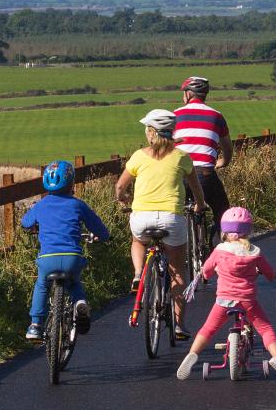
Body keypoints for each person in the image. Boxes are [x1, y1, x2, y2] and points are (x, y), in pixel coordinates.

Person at [115, 108, 207, 340]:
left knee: (137, 241)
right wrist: (199, 205)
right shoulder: (181, 156)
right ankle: (178, 324)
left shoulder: (138, 156)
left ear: (152, 132)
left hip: (142, 217)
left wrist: (123, 198)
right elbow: (196, 188)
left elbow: (119, 187)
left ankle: (138, 274)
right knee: (178, 271)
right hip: (171, 218)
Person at [176, 207, 276, 379]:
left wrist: (207, 273)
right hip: (248, 301)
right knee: (265, 328)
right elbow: (269, 273)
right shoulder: (254, 253)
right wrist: (274, 275)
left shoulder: (219, 251)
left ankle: (192, 355)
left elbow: (206, 271)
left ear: (224, 231)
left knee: (208, 329)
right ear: (248, 231)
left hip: (224, 301)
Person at [22, 159, 111, 341]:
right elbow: (99, 229)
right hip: (72, 257)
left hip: (48, 259)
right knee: (74, 283)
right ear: (71, 183)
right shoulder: (78, 205)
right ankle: (80, 302)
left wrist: (35, 226)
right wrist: (103, 237)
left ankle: (35, 325)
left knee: (41, 285)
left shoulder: (41, 205)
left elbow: (25, 222)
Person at [174, 76, 233, 232]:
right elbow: (227, 147)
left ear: (188, 94)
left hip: (178, 174)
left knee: (171, 213)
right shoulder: (217, 116)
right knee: (223, 212)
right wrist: (223, 162)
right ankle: (218, 242)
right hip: (204, 175)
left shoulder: (174, 116)